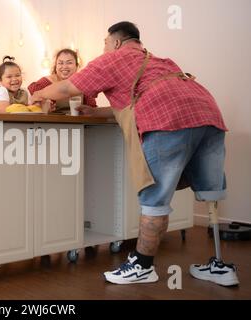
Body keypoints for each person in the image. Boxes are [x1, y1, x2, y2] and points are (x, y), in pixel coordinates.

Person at [32, 21, 239, 286]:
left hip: (168, 118)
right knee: (211, 194)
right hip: (208, 114)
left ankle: (142, 266)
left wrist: (35, 97)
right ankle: (220, 267)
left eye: (104, 43)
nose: (103, 48)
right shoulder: (162, 61)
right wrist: (97, 112)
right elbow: (138, 100)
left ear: (116, 42)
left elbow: (65, 89)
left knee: (154, 197)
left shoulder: (113, 58)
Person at [28, 48, 97, 114]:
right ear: (56, 66)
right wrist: (42, 106)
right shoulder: (46, 82)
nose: (64, 66)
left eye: (69, 63)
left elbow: (92, 108)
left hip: (79, 123)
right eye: (60, 63)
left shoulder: (83, 84)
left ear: (76, 66)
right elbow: (32, 101)